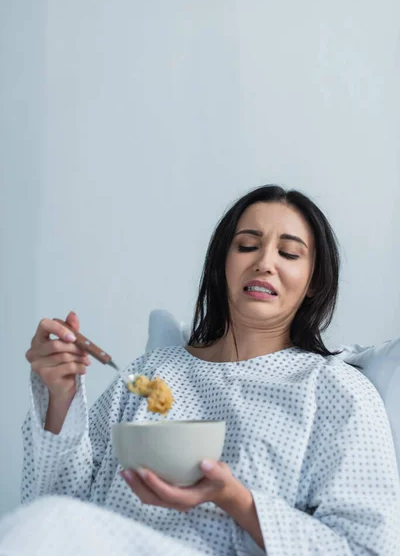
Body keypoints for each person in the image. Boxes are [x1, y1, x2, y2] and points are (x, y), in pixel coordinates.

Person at [1, 184, 399, 556]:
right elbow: (56, 505)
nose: (264, 263)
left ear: (313, 281)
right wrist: (61, 395)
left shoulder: (334, 388)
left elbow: (366, 547)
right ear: (223, 263)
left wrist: (234, 499)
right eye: (247, 246)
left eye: (289, 254)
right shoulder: (154, 369)